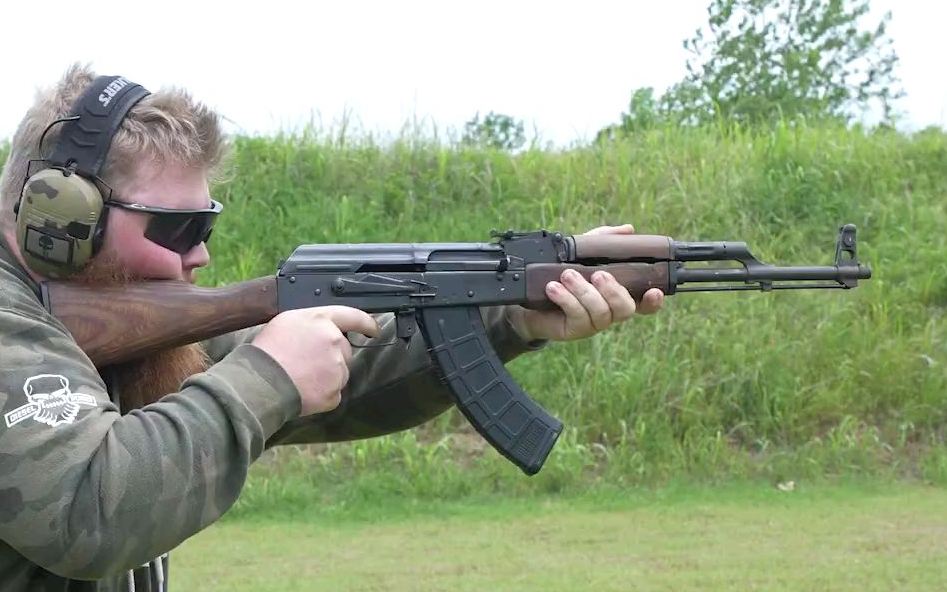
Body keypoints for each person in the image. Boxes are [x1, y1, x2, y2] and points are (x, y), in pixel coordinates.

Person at [0, 64, 665, 591]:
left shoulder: (100, 320)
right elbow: (87, 509)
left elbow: (354, 371)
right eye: (178, 228)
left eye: (207, 224)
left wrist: (510, 313)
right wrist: (267, 376)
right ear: (60, 221)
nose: (199, 254)